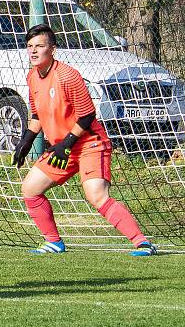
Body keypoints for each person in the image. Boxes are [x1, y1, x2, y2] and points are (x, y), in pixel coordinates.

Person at [13, 23, 157, 256]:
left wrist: (66, 144)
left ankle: (143, 243)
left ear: (53, 49)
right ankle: (54, 243)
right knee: (30, 188)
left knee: (96, 195)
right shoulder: (32, 77)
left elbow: (88, 114)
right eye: (30, 46)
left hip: (89, 143)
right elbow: (37, 114)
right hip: (62, 147)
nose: (33, 51)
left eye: (39, 46)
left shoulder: (68, 75)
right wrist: (26, 140)